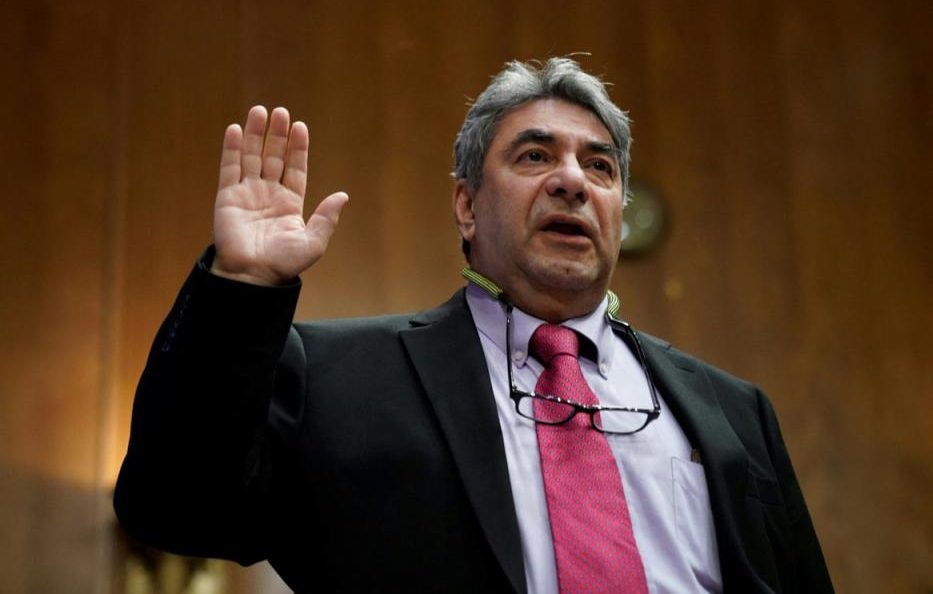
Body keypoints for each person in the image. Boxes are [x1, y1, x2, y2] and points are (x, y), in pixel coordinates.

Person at [114, 58, 833, 593]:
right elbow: (174, 509)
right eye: (535, 155)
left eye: (601, 166)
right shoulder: (338, 379)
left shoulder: (735, 412)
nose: (574, 180)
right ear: (466, 205)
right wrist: (242, 289)